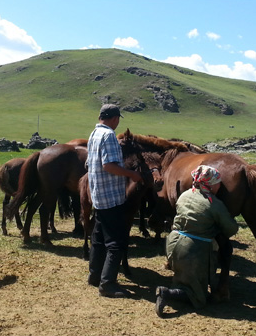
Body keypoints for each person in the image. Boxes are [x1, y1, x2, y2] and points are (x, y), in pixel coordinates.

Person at [155, 165, 238, 317]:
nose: (220, 185)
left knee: (184, 277)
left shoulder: (185, 195)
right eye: (218, 182)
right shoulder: (214, 203)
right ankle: (167, 293)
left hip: (173, 245)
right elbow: (231, 229)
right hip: (193, 250)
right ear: (211, 184)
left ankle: (179, 287)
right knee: (199, 297)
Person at [87, 104, 143, 298]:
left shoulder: (94, 134)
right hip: (111, 196)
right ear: (115, 118)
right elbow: (108, 165)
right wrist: (131, 174)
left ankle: (94, 276)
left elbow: (90, 163)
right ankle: (108, 284)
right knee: (116, 242)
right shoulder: (109, 136)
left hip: (98, 195)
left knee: (99, 238)